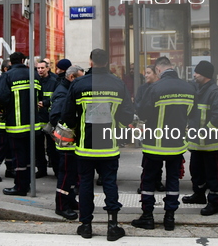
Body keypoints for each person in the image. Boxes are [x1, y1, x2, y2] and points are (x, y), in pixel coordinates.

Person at [62, 49, 134, 241]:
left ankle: (86, 226)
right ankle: (112, 226)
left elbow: (67, 114)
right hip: (109, 146)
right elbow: (127, 114)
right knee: (110, 183)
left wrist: (74, 130)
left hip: (85, 146)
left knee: (85, 184)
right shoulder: (118, 84)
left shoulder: (79, 83)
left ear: (91, 61)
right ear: (108, 61)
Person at [131, 57, 195, 231]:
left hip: (154, 144)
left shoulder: (154, 88)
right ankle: (169, 218)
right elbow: (191, 113)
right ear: (172, 68)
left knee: (149, 180)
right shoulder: (189, 88)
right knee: (173, 180)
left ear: (159, 70)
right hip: (176, 144)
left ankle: (148, 217)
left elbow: (143, 112)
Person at [182, 61, 218, 216]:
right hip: (196, 144)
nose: (194, 75)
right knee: (196, 171)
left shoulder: (215, 92)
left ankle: (214, 201)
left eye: (197, 72)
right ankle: (199, 194)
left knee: (213, 174)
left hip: (210, 144)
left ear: (205, 74)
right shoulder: (197, 90)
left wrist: (204, 132)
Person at [0, 52, 42, 196]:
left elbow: (1, 97)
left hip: (16, 125)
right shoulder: (33, 74)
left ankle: (20, 187)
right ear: (23, 60)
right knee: (28, 157)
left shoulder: (7, 76)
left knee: (18, 158)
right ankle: (26, 184)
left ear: (11, 62)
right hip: (33, 125)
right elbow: (39, 95)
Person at [49, 65, 85, 220]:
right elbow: (56, 116)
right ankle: (62, 206)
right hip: (66, 143)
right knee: (65, 175)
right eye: (80, 78)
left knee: (71, 175)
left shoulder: (69, 91)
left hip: (71, 142)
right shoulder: (63, 94)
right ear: (72, 78)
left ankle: (70, 200)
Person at [135, 65, 165, 193]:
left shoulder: (161, 87)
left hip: (161, 126)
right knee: (148, 158)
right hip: (148, 126)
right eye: (145, 73)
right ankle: (147, 182)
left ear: (156, 73)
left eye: (148, 73)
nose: (146, 75)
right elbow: (138, 104)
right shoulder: (142, 89)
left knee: (158, 156)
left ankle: (157, 181)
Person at [36, 60, 59, 178]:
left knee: (52, 148)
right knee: (38, 148)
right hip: (38, 119)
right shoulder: (35, 81)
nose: (40, 70)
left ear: (48, 68)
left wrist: (45, 103)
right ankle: (41, 169)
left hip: (50, 120)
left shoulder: (53, 82)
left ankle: (56, 170)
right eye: (38, 68)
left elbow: (57, 98)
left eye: (42, 68)